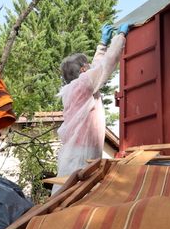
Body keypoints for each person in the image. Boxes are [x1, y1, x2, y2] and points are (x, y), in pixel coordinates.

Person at [55, 24, 129, 189]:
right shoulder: (82, 85)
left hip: (76, 152)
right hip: (80, 154)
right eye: (87, 66)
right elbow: (104, 67)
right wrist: (120, 37)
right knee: (75, 195)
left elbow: (96, 68)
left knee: (68, 193)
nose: (90, 68)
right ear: (83, 70)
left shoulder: (76, 87)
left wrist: (102, 45)